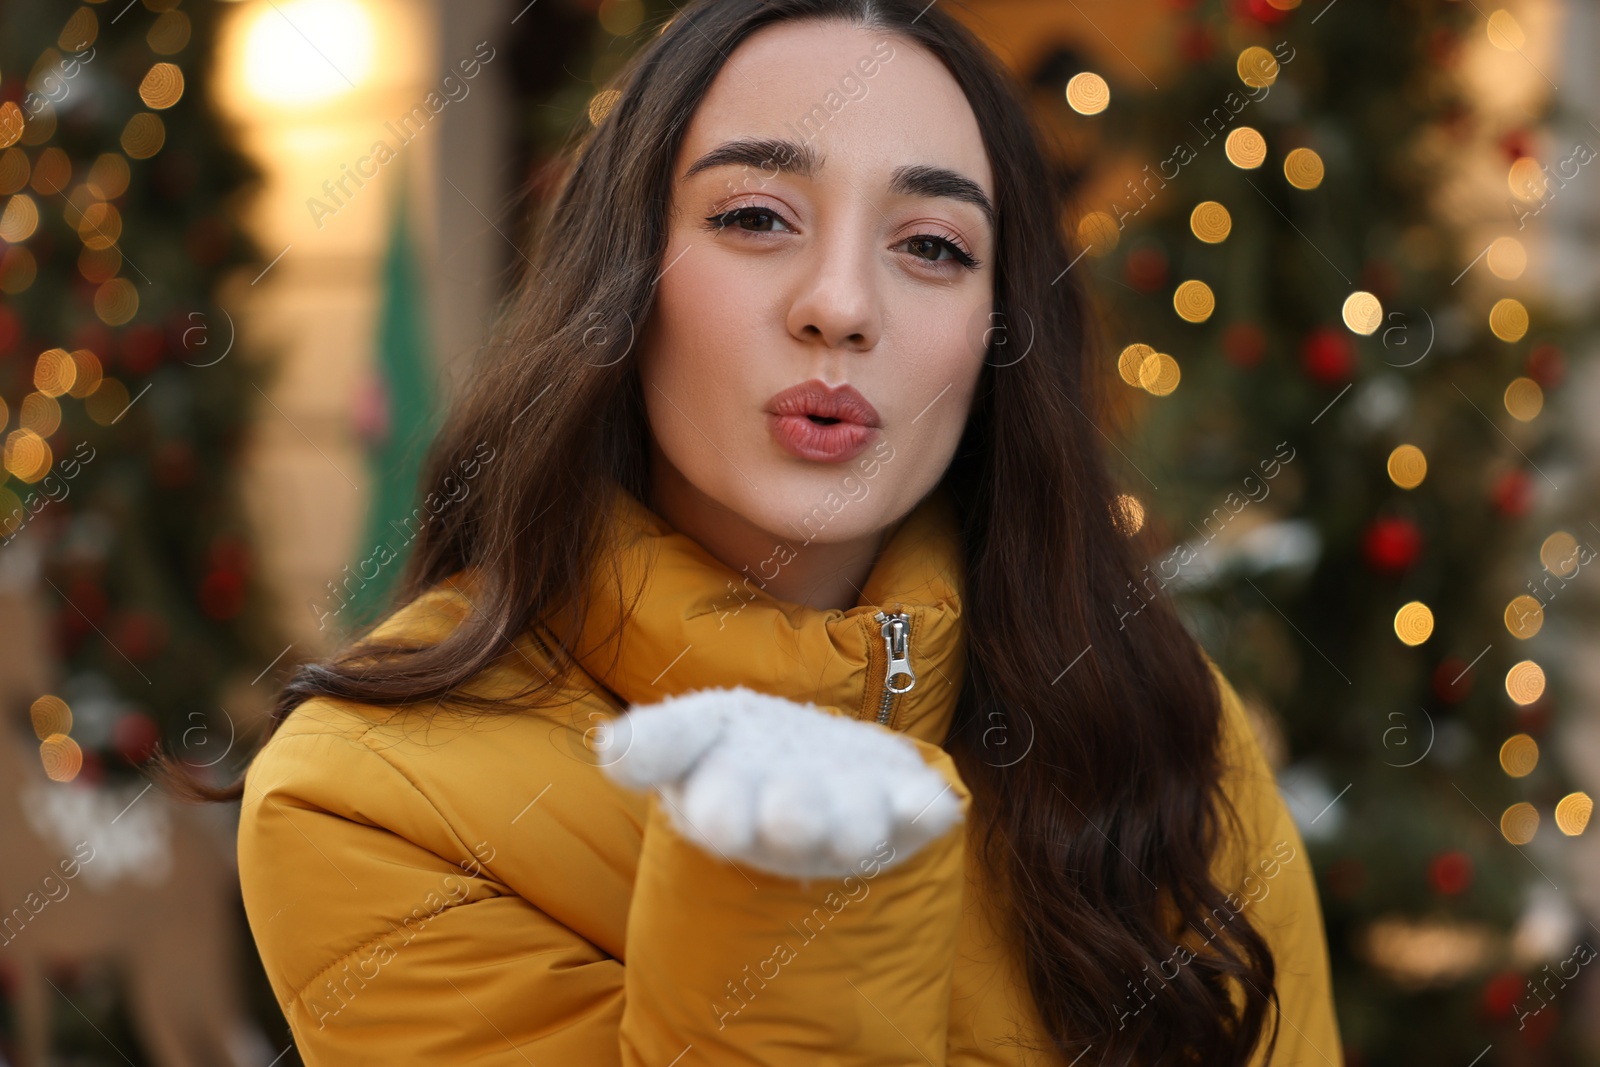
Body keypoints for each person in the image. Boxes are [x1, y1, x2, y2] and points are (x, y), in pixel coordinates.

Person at [159, 0, 1344, 1062]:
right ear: (623, 278)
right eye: (756, 215)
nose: (839, 304)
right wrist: (794, 879)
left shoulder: (1147, 712)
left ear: (996, 337)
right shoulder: (366, 794)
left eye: (931, 244)